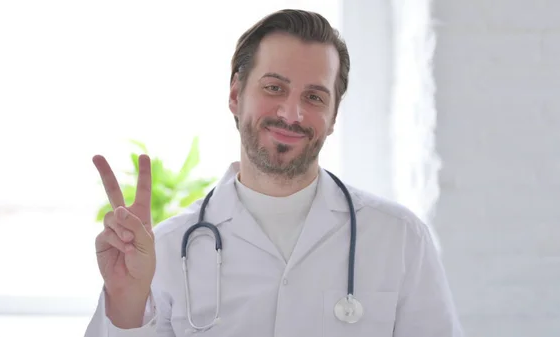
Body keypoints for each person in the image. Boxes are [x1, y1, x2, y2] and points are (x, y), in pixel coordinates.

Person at [84, 9, 464, 337]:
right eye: (274, 87)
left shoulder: (398, 238)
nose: (291, 114)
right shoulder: (166, 250)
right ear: (236, 94)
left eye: (314, 97)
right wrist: (125, 304)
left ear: (333, 115)